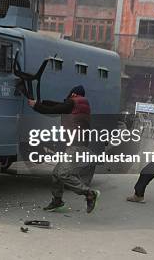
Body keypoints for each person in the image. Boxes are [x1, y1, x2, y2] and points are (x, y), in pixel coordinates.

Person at [27, 85, 100, 214]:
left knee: (62, 174)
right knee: (56, 174)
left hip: (76, 146)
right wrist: (42, 102)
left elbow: (53, 109)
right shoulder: (79, 104)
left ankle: (89, 193)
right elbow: (58, 105)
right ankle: (57, 201)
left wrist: (35, 105)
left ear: (73, 94)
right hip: (76, 145)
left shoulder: (73, 102)